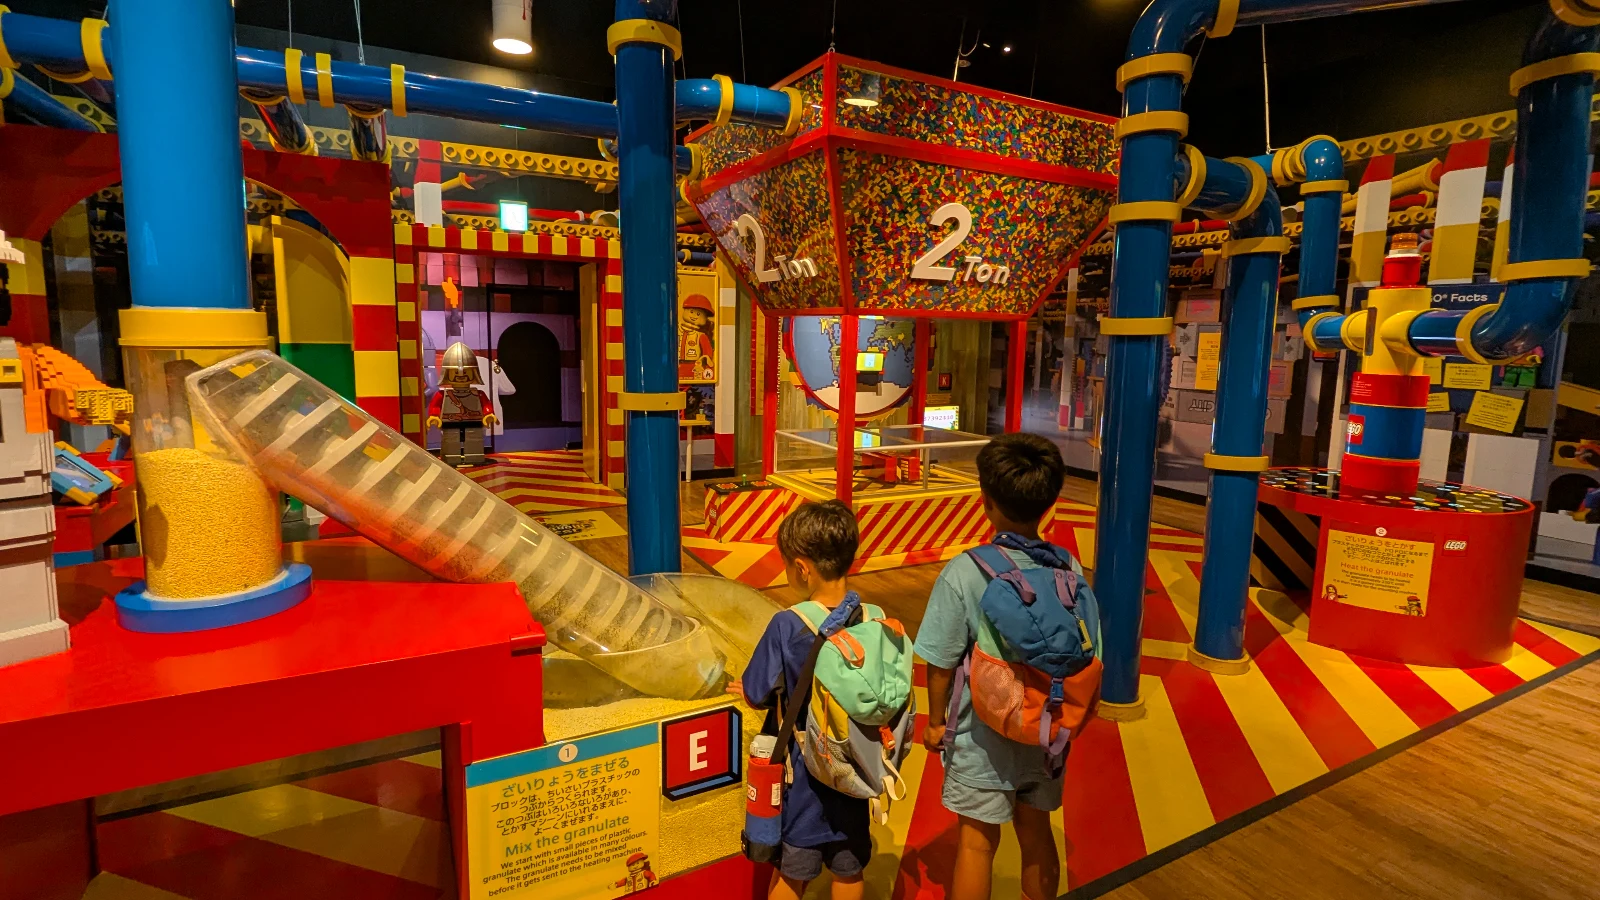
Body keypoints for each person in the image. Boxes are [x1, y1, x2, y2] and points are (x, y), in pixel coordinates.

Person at [914, 432, 1081, 900]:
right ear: (1050, 503)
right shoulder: (1067, 565)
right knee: (1037, 831)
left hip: (983, 736)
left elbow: (942, 661)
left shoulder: (965, 571)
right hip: (1048, 725)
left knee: (977, 843)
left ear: (985, 501)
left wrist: (933, 723)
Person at [732, 500, 870, 900]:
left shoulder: (788, 623)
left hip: (806, 775)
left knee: (793, 873)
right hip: (856, 769)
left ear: (802, 567)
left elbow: (758, 691)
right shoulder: (869, 616)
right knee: (849, 868)